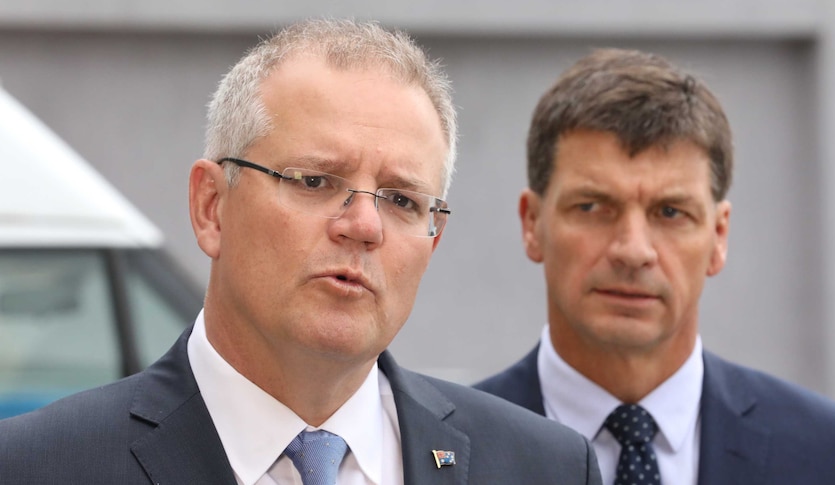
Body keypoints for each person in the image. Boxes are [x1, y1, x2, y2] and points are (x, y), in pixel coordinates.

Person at [0, 19, 602, 484]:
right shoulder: (35, 467)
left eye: (400, 199)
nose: (364, 225)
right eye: (315, 181)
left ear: (433, 237)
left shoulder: (540, 466)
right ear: (212, 206)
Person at [475, 48, 835, 485]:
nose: (633, 250)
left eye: (670, 212)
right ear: (532, 223)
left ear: (719, 235)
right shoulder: (439, 454)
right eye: (592, 206)